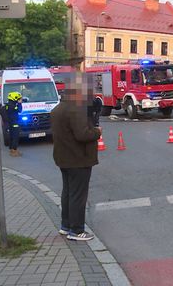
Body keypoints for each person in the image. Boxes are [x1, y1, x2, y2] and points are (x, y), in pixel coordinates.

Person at [51, 80, 102, 241]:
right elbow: (82, 134)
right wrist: (97, 132)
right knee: (78, 195)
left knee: (68, 193)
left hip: (63, 157)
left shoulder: (58, 109)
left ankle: (65, 226)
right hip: (78, 159)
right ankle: (77, 230)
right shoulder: (76, 110)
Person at [5, 91, 23, 157]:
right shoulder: (12, 106)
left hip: (10, 123)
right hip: (14, 123)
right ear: (14, 98)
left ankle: (12, 149)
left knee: (11, 137)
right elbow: (20, 110)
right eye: (18, 98)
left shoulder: (8, 104)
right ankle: (14, 151)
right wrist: (20, 104)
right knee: (15, 137)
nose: (19, 99)